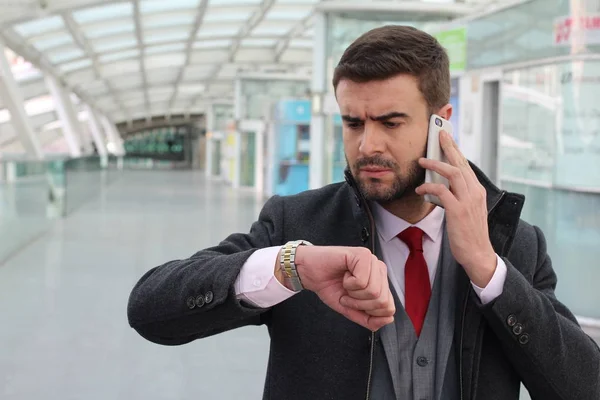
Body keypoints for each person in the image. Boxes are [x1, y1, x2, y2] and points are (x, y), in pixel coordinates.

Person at [127, 26, 600, 400]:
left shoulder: (516, 242)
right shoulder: (298, 224)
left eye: (391, 123)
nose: (367, 144)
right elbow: (151, 310)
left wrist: (489, 270)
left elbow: (584, 386)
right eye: (352, 123)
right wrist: (290, 267)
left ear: (442, 123)